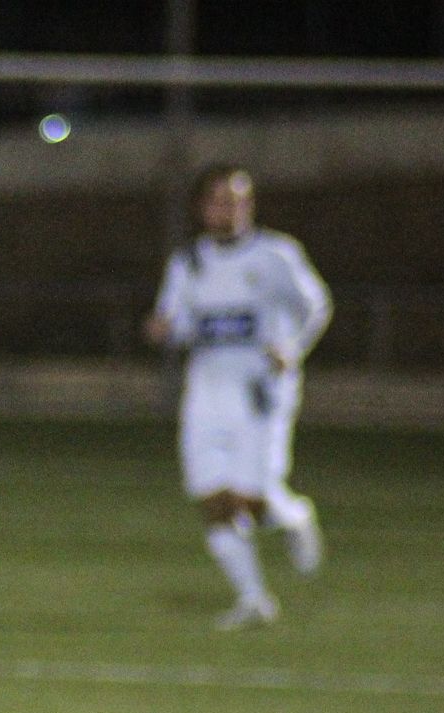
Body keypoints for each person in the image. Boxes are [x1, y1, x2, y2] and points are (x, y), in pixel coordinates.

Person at [145, 165, 333, 630]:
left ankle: (293, 514)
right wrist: (163, 330)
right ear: (202, 207)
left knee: (251, 500)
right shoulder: (188, 262)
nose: (231, 210)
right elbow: (180, 322)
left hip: (260, 392)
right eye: (221, 200)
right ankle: (253, 600)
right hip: (207, 390)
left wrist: (292, 348)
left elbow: (317, 305)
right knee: (212, 498)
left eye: (239, 200)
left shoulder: (276, 255)